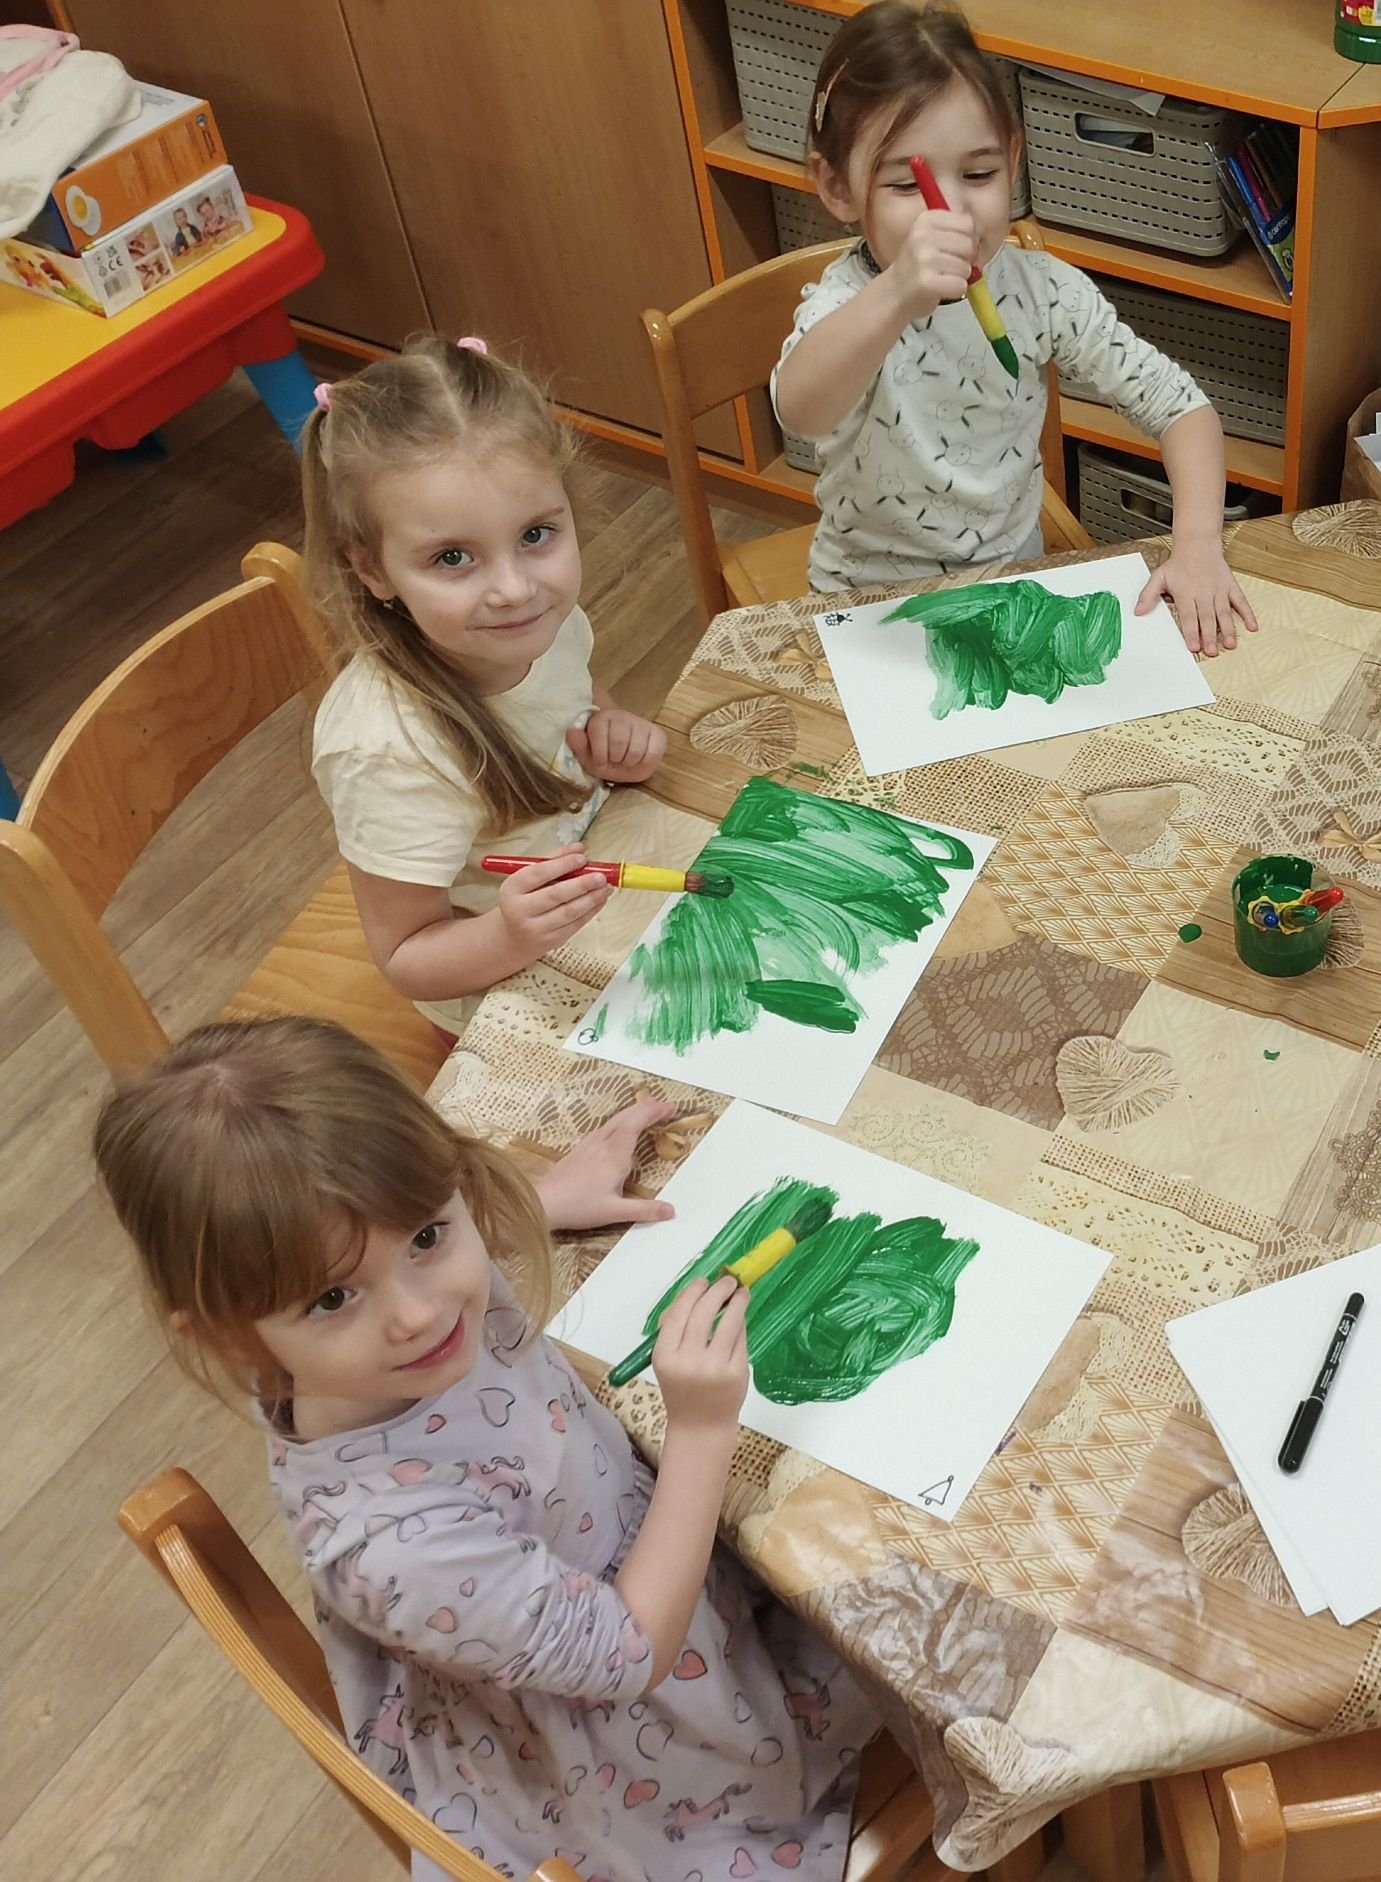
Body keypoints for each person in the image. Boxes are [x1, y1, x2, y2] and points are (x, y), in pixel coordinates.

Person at [93, 1016, 879, 1881]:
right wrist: (698, 1431)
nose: (419, 1313)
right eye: (333, 1299)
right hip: (637, 1755)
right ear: (228, 1336)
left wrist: (540, 1201)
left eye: (427, 1235)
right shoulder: (395, 1546)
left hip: (637, 1588)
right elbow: (629, 1654)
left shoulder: (379, 1319)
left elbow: (383, 1238)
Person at [773, 0, 1258, 653]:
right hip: (866, 605)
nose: (953, 214)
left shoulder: (1041, 290)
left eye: (979, 174)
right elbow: (801, 410)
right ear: (837, 188)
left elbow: (1183, 410)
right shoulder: (847, 303)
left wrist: (1198, 544)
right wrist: (894, 298)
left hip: (1010, 585)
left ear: (1014, 158)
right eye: (907, 186)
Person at [301, 335, 669, 1039]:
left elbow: (579, 696)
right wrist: (508, 934)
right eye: (452, 558)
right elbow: (406, 958)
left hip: (600, 890)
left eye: (535, 535)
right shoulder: (385, 751)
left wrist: (614, 732)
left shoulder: (540, 624)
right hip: (493, 990)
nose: (514, 589)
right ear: (372, 569)